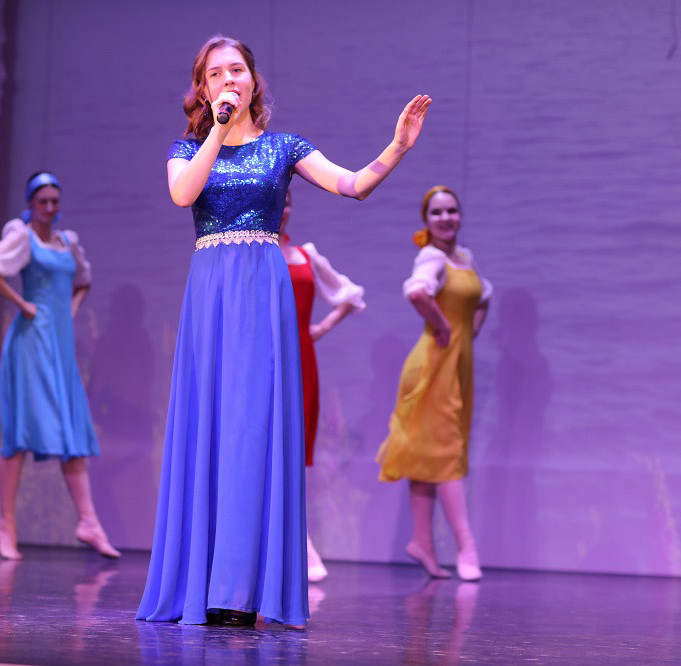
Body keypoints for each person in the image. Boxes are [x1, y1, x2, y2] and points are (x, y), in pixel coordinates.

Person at [136, 34, 431, 627]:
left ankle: (239, 590)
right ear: (203, 89)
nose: (228, 80)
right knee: (211, 426)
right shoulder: (186, 148)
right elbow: (182, 194)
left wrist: (397, 147)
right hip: (212, 295)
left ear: (254, 80)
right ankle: (203, 584)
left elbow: (353, 184)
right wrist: (217, 130)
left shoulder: (283, 147)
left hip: (260, 294)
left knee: (253, 428)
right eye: (215, 74)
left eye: (237, 70)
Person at [0, 172, 119, 561]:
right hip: (30, 343)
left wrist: (70, 310)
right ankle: (6, 523)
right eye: (43, 202)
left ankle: (88, 522)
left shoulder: (68, 242)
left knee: (71, 428)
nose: (50, 208)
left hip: (59, 345)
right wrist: (21, 303)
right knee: (21, 431)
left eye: (55, 201)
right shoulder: (23, 237)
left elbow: (83, 281)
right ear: (31, 204)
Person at [376, 185, 492, 582]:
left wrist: (468, 334)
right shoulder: (431, 257)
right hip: (432, 364)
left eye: (451, 211)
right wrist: (442, 325)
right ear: (426, 221)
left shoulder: (464, 258)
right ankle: (466, 546)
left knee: (428, 453)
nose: (446, 218)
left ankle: (422, 541)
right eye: (437, 213)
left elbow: (483, 296)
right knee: (445, 452)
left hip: (456, 364)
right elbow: (416, 292)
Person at [278, 188, 366, 583]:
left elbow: (350, 295)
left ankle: (299, 540)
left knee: (294, 451)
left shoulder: (305, 255)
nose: (281, 207)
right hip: (262, 359)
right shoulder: (252, 253)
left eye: (286, 201)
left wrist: (320, 329)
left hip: (300, 360)